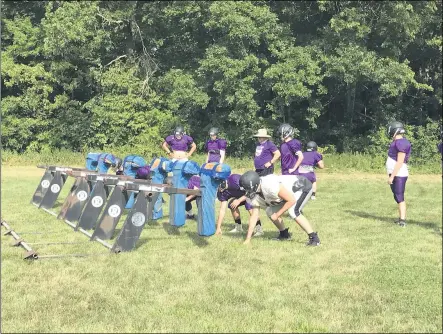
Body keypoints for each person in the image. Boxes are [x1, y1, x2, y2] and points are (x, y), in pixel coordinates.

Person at [239, 171, 321, 246]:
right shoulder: (254, 193)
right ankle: (284, 234)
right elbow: (254, 216)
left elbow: (291, 200)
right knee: (270, 211)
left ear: (255, 185)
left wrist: (278, 214)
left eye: (248, 189)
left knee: (293, 211)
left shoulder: (269, 185)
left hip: (301, 186)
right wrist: (248, 239)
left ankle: (314, 238)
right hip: (289, 194)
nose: (247, 193)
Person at [385, 121, 412, 227]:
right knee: (397, 196)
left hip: (399, 174)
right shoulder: (397, 142)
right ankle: (401, 218)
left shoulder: (401, 142)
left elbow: (400, 161)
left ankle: (402, 220)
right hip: (395, 173)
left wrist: (392, 176)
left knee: (399, 196)